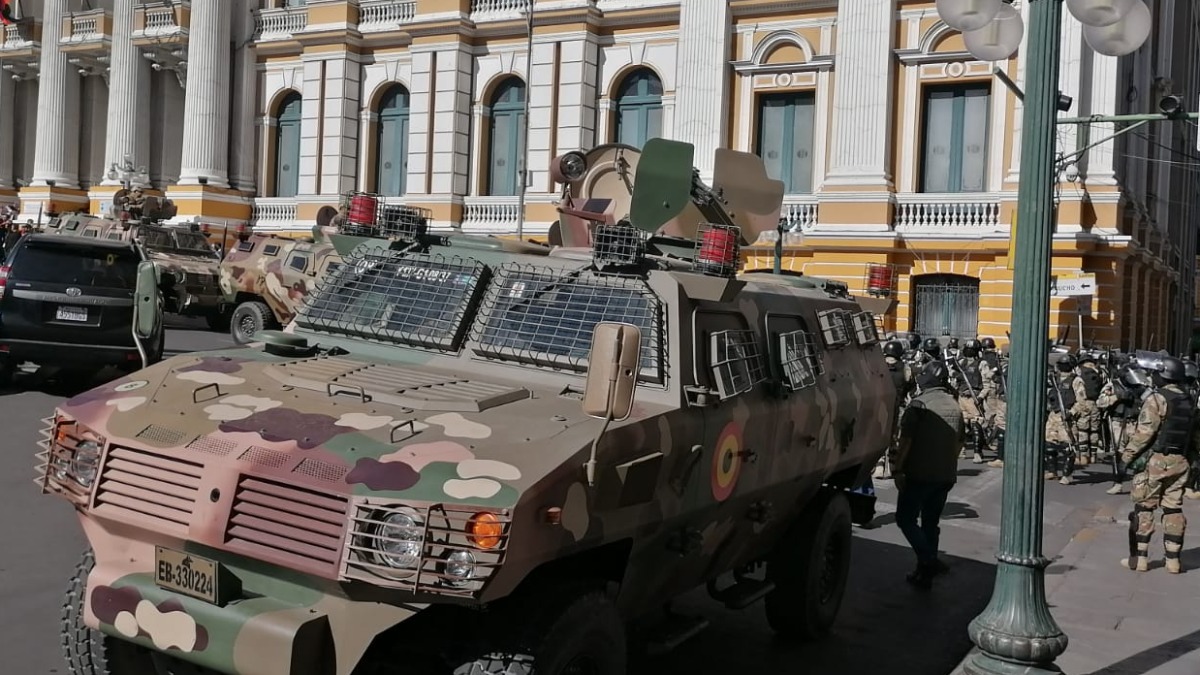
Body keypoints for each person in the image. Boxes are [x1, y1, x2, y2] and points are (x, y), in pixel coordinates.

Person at [1120, 356, 1198, 574]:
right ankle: (1173, 561)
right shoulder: (1190, 399)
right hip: (1181, 461)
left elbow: (1144, 434)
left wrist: (1126, 457)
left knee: (1145, 507)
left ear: (1164, 375)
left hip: (1156, 461)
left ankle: (1141, 560)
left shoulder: (1157, 399)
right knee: (1173, 507)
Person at [891, 362, 964, 589]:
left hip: (919, 474)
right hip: (945, 475)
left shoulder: (918, 405)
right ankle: (924, 573)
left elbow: (905, 442)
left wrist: (897, 469)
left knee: (905, 519)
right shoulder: (954, 405)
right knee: (930, 523)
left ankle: (928, 560)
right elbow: (960, 442)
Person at [1097, 365, 1152, 495]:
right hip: (1118, 423)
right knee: (1120, 454)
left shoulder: (1139, 386)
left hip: (1134, 422)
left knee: (1137, 453)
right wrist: (1117, 397)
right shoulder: (1113, 385)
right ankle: (1118, 482)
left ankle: (1139, 484)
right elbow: (1100, 402)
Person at [874, 339, 912, 480]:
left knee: (878, 435)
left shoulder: (878, 365)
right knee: (895, 436)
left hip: (879, 406)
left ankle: (878, 466)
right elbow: (910, 384)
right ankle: (892, 466)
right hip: (897, 406)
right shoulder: (905, 367)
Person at [952, 339, 989, 464]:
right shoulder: (960, 363)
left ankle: (977, 453)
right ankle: (961, 451)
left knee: (976, 425)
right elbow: (954, 381)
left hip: (974, 398)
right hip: (961, 397)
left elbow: (986, 384)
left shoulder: (982, 364)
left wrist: (980, 397)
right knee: (961, 425)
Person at [1045, 354, 1080, 484]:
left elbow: (1081, 401)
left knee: (1068, 447)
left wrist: (1071, 412)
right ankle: (1052, 471)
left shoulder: (1076, 381)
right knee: (1049, 445)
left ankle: (1067, 475)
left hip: (1066, 417)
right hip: (1053, 415)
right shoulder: (1055, 379)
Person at [1073, 353, 1105, 466]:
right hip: (1095, 404)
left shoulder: (1080, 373)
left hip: (1084, 403)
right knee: (1094, 430)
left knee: (1083, 430)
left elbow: (1078, 391)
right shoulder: (1097, 373)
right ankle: (1094, 455)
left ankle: (1084, 456)